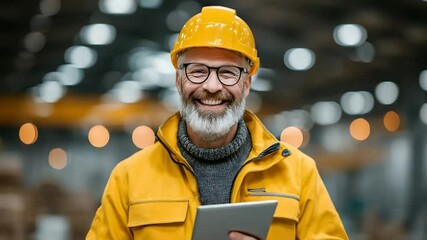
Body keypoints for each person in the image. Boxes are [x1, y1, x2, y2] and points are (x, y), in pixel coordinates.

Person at [86, 5, 349, 240]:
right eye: (198, 71)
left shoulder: (299, 173)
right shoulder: (129, 177)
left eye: (228, 73)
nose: (212, 86)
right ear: (179, 81)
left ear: (246, 84)